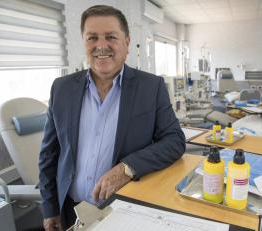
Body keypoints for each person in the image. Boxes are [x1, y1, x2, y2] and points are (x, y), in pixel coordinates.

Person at [38, 5, 185, 231]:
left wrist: (126, 168)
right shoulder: (62, 88)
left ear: (126, 43)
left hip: (125, 210)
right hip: (71, 210)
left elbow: (175, 140)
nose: (101, 46)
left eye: (110, 37)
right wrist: (50, 209)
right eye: (92, 38)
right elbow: (49, 154)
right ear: (83, 43)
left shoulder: (150, 87)